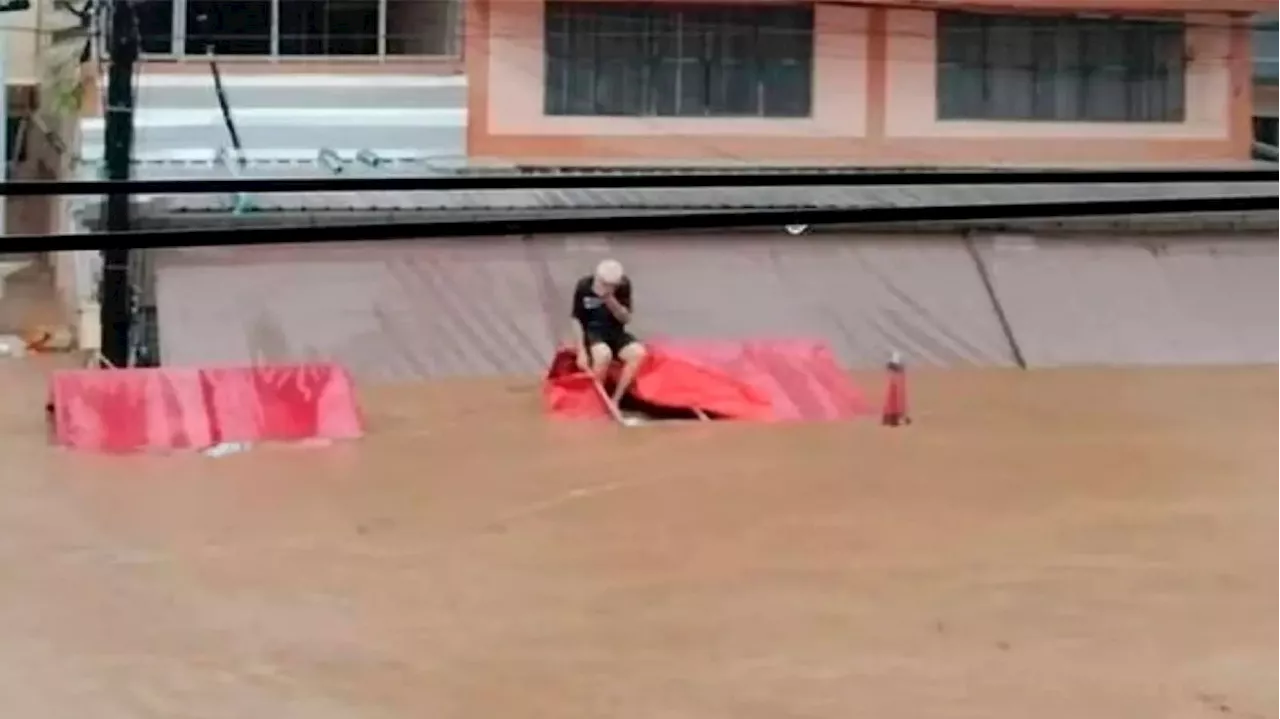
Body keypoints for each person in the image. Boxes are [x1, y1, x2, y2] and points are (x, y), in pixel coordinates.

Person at [571, 258, 646, 404]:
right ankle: (595, 399)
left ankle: (616, 399)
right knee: (603, 355)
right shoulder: (584, 286)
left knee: (638, 353)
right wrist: (581, 351)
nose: (606, 287)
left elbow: (625, 319)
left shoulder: (623, 286)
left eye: (611, 286)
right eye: (604, 284)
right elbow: (576, 318)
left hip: (615, 331)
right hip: (593, 331)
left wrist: (610, 300)